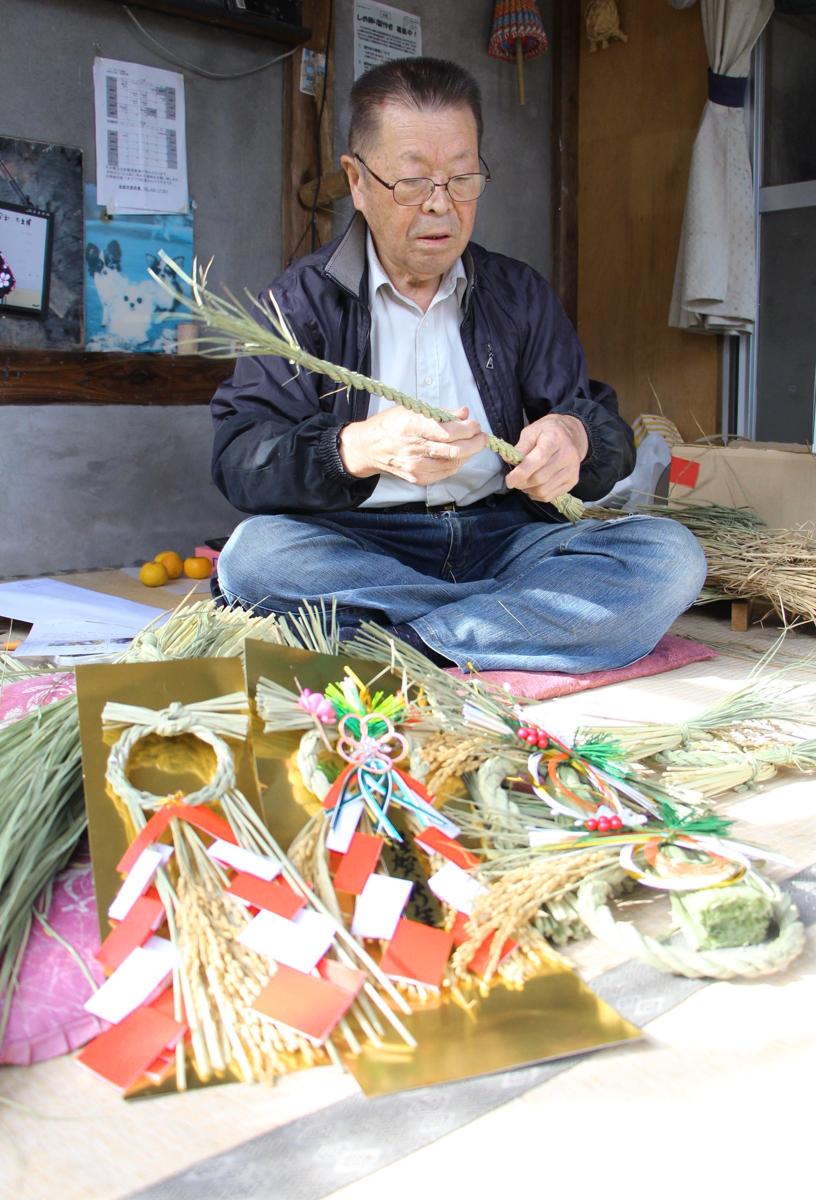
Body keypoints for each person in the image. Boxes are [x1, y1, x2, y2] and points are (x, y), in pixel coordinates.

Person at [210, 57, 706, 672]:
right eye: (413, 182)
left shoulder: (517, 293)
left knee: (669, 556)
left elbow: (596, 423)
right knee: (254, 559)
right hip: (362, 542)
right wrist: (356, 449)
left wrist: (572, 439)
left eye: (462, 178)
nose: (441, 207)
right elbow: (239, 456)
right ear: (357, 181)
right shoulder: (301, 302)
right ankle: (504, 625)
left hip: (503, 537)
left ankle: (406, 643)